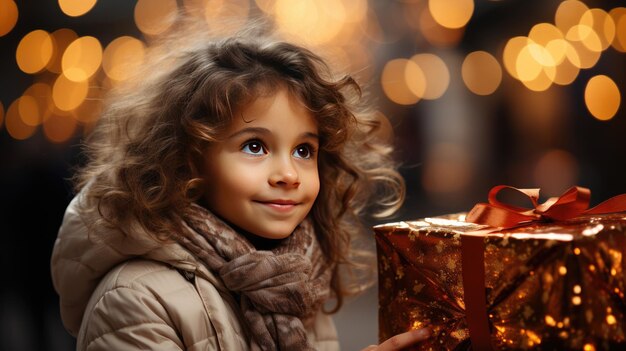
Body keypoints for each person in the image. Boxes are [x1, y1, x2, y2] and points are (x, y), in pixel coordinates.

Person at [50, 18, 431, 351]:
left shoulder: (296, 283)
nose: (289, 174)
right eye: (255, 146)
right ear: (189, 160)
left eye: (303, 150)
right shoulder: (135, 298)